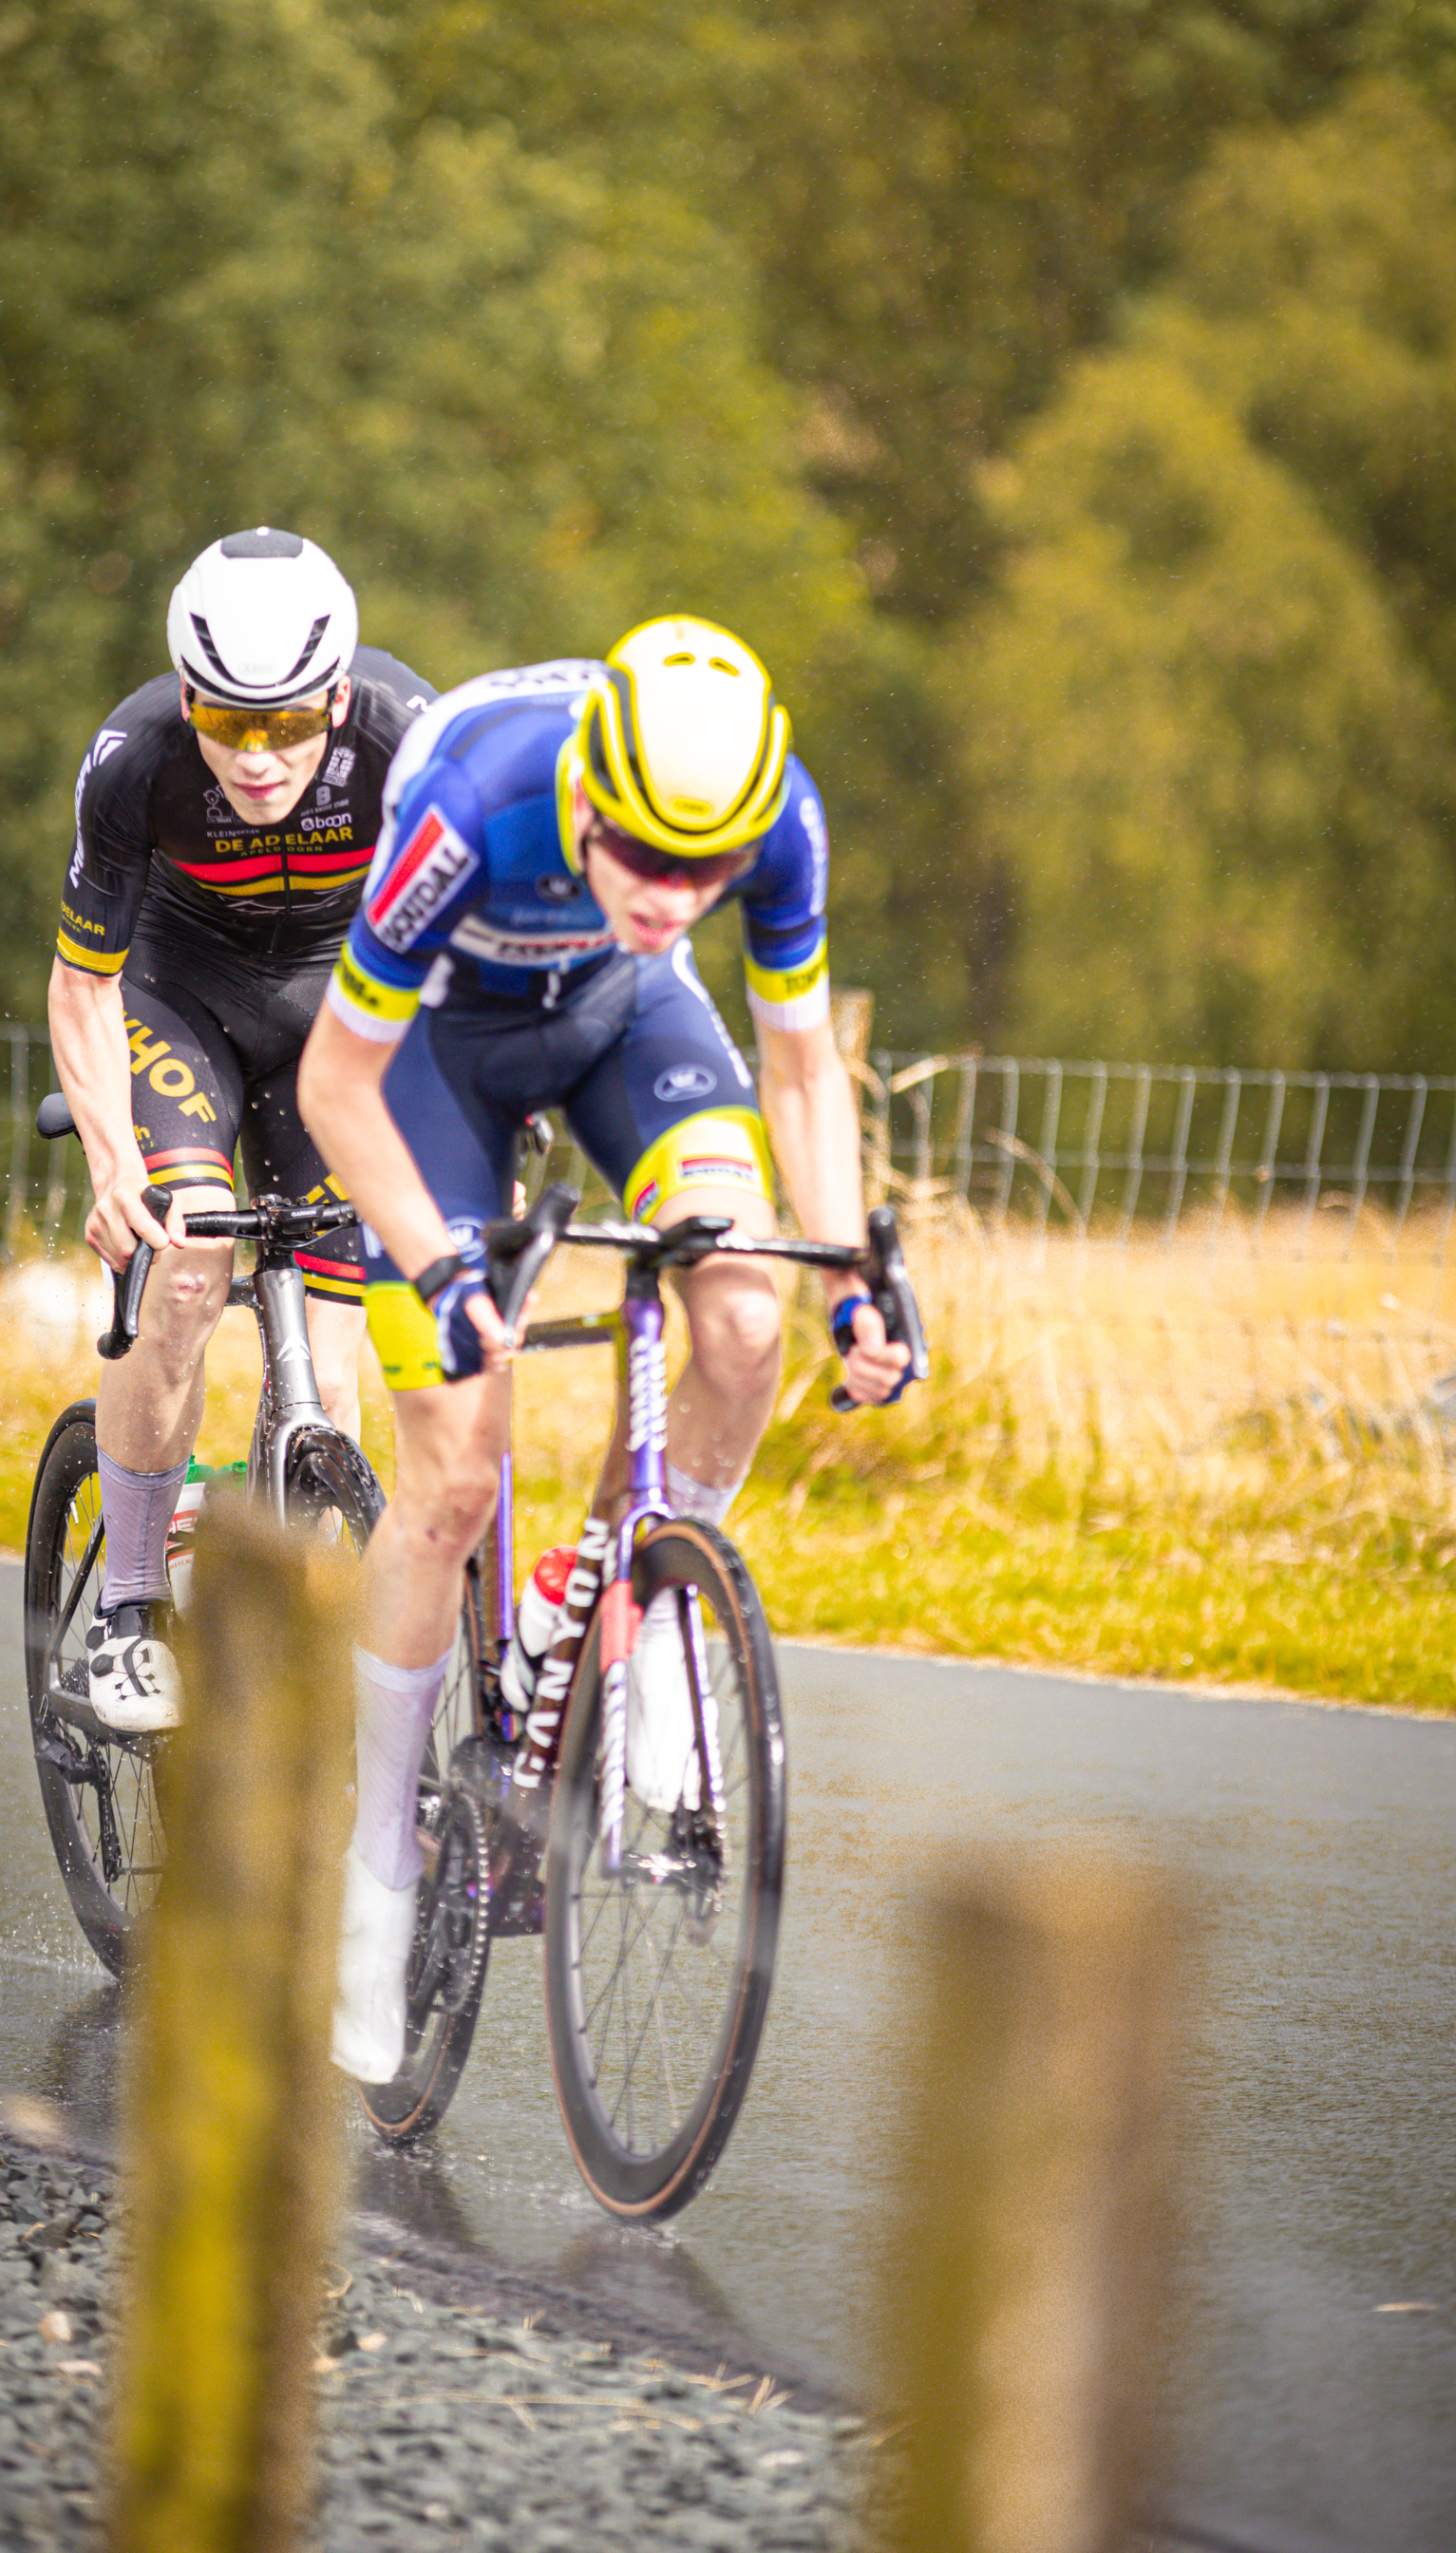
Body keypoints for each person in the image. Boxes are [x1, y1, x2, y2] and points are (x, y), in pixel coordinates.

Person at [295, 617, 911, 2083]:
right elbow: (336, 1079)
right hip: (437, 1065)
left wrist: (854, 1280)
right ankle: (377, 1861)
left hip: (625, 1030)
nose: (672, 892)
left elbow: (805, 1063)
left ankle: (650, 1613)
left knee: (749, 1315)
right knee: (452, 1480)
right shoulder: (479, 803)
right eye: (642, 857)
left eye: (705, 873)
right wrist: (441, 1261)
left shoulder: (779, 822)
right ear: (587, 795)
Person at [47, 526, 431, 1733]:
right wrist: (115, 1163)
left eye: (286, 724)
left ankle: (290, 1554)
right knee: (187, 1264)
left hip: (336, 1011)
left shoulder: (409, 739)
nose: (254, 757)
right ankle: (123, 1605)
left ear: (338, 692)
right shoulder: (134, 757)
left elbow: (462, 953)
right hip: (181, 993)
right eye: (225, 720)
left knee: (339, 1333)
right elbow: (83, 985)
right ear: (186, 696)